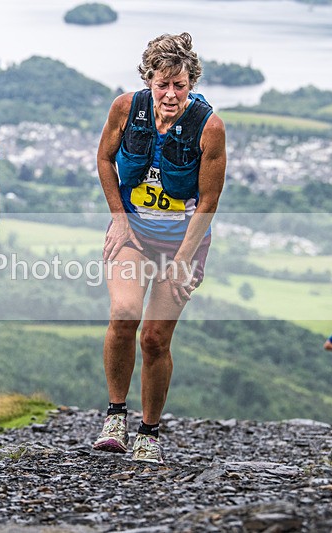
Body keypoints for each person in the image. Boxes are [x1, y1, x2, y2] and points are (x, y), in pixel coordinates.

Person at [92, 33, 226, 463]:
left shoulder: (209, 126)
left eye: (180, 85)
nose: (170, 94)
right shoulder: (126, 109)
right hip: (134, 232)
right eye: (161, 84)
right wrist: (118, 217)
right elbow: (104, 159)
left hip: (183, 241)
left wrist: (183, 263)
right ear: (148, 79)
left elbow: (208, 202)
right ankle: (115, 415)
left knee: (154, 338)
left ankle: (149, 431)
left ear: (191, 83)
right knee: (125, 314)